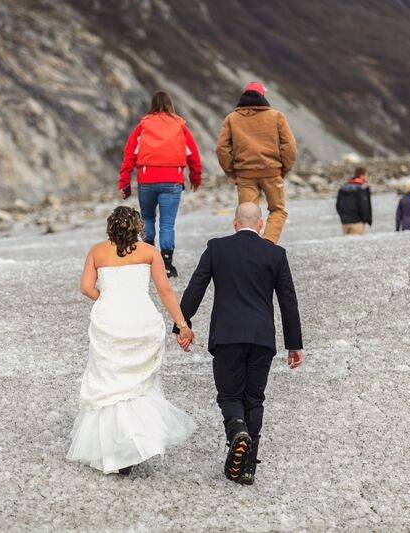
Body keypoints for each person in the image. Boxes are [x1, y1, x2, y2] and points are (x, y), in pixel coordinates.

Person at [173, 203, 304, 486]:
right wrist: (294, 344)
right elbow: (288, 301)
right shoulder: (276, 254)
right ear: (260, 225)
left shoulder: (217, 248)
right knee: (254, 399)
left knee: (229, 396)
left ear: (234, 224)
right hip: (261, 337)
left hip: (227, 334)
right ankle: (246, 468)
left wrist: (182, 325)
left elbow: (196, 286)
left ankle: (236, 430)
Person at [67, 206, 197, 475]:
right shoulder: (149, 252)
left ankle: (113, 449)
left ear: (110, 227)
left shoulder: (97, 252)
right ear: (138, 227)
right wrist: (182, 325)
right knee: (139, 382)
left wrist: (107, 298)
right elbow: (164, 290)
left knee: (109, 381)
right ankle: (137, 440)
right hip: (142, 319)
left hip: (109, 320)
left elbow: (85, 287)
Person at [119, 91, 203, 278]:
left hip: (147, 181)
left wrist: (124, 183)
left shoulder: (143, 126)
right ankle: (166, 264)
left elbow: (129, 155)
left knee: (148, 219)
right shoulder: (180, 126)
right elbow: (193, 155)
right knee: (167, 225)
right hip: (172, 181)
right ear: (170, 105)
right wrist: (195, 178)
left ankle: (149, 262)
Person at [216, 82, 297, 244]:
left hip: (245, 175)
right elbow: (290, 147)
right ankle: (268, 243)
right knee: (277, 210)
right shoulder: (276, 116)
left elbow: (222, 149)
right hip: (272, 173)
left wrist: (231, 171)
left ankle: (250, 247)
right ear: (263, 96)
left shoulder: (232, 118)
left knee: (247, 215)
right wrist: (284, 169)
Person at [336, 167, 373, 235]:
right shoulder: (362, 188)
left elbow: (338, 205)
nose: (367, 177)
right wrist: (365, 219)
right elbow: (363, 206)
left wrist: (343, 217)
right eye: (366, 175)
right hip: (357, 223)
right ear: (362, 175)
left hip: (344, 223)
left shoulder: (343, 188)